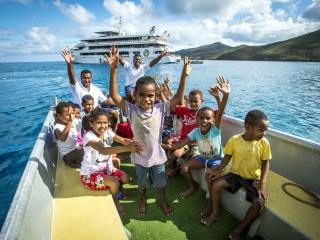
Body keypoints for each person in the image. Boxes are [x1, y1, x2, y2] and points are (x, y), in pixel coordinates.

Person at [106, 46, 190, 216]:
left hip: (158, 157)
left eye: (151, 95)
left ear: (155, 96)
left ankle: (162, 199)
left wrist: (184, 75)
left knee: (161, 183)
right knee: (142, 183)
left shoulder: (160, 108)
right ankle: (143, 199)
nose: (147, 99)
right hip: (139, 157)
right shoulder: (131, 110)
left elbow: (179, 98)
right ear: (135, 95)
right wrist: (114, 69)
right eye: (142, 95)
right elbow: (115, 95)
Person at [203, 110, 271, 240]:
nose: (264, 133)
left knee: (259, 203)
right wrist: (218, 170)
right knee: (215, 184)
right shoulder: (235, 140)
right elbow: (227, 157)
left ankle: (240, 228)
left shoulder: (264, 143)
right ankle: (215, 212)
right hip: (235, 174)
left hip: (253, 179)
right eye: (261, 130)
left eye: (265, 130)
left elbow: (265, 163)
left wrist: (262, 183)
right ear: (247, 127)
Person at [163, 77, 230, 198]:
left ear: (212, 119)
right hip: (197, 151)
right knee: (182, 162)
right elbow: (172, 107)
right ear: (197, 119)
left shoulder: (213, 128)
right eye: (201, 118)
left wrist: (222, 96)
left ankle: (211, 198)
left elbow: (221, 111)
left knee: (207, 173)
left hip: (210, 155)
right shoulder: (195, 129)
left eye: (207, 118)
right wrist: (164, 144)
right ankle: (191, 185)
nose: (204, 120)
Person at [80, 107, 143, 215]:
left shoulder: (108, 133)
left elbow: (123, 140)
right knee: (114, 182)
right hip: (90, 175)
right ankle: (115, 200)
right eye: (98, 123)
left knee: (125, 178)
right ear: (91, 124)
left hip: (106, 170)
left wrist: (137, 144)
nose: (102, 126)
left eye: (105, 123)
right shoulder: (89, 137)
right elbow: (103, 150)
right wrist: (128, 148)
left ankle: (116, 188)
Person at [53, 101, 83, 168]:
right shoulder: (57, 127)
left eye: (71, 113)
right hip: (68, 155)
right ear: (59, 116)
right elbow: (62, 138)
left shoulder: (73, 120)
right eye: (67, 115)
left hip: (76, 149)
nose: (71, 116)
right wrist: (70, 121)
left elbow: (83, 123)